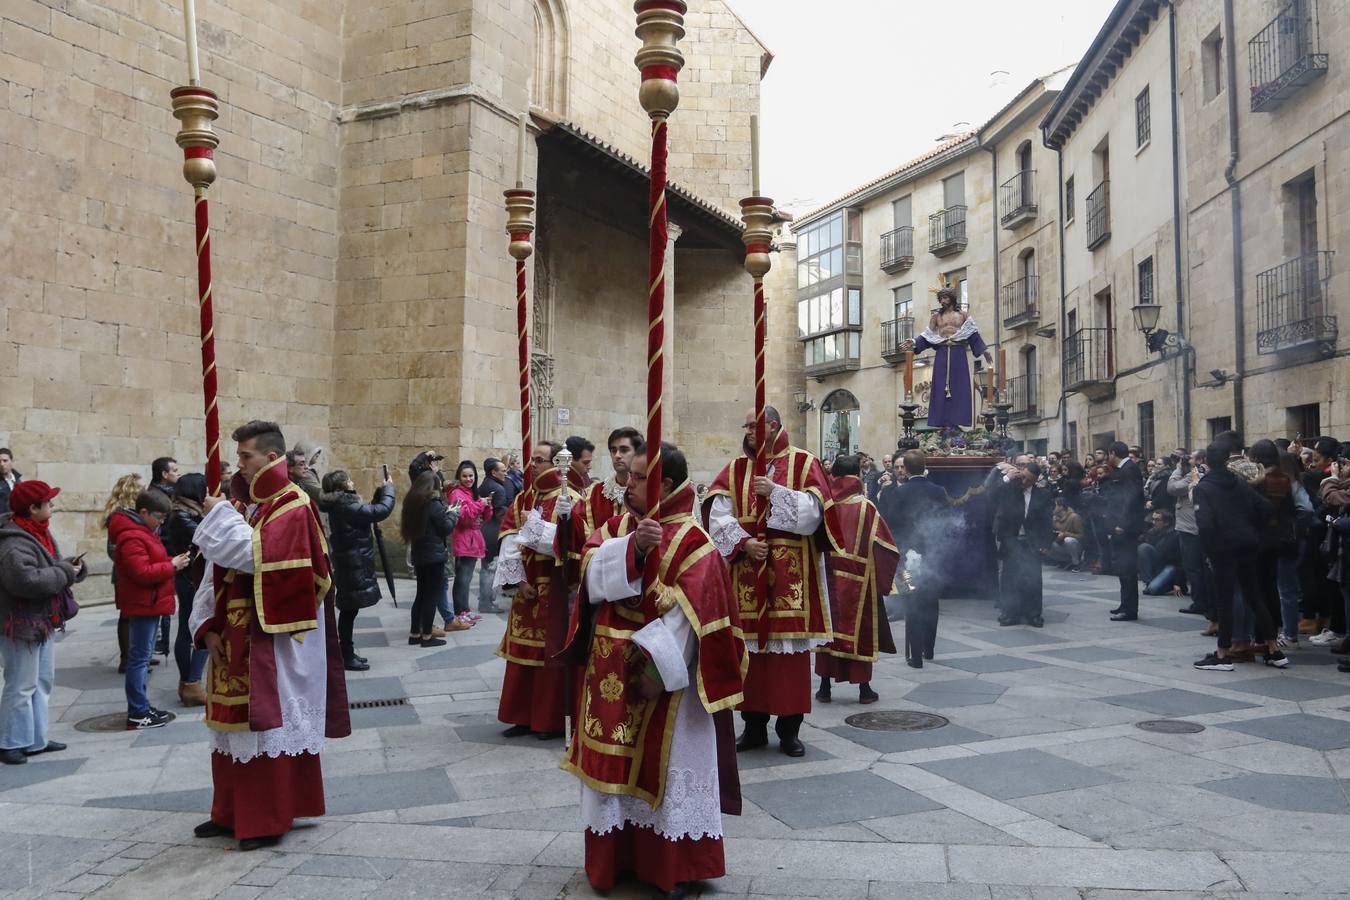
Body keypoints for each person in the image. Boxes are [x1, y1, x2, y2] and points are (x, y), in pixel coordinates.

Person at [562, 441, 745, 895]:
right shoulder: (620, 525)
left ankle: (673, 866)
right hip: (609, 673)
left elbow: (691, 618)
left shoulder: (694, 542)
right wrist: (634, 551)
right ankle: (616, 858)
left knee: (667, 767)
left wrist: (656, 673)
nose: (628, 482)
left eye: (640, 477)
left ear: (664, 484)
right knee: (612, 775)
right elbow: (587, 570)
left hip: (665, 685)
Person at [188, 419, 351, 851]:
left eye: (246, 457)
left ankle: (265, 817)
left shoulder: (292, 505)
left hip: (275, 636)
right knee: (230, 727)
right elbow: (213, 570)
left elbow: (257, 559)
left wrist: (219, 518)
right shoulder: (250, 505)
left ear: (272, 458)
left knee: (263, 724)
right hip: (234, 630)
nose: (238, 465)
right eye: (239, 456)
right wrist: (205, 625)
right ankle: (230, 812)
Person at [702, 407, 841, 758]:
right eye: (746, 425)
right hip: (748, 571)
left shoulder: (803, 463)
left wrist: (775, 492)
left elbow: (813, 514)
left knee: (788, 661)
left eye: (753, 424)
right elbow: (717, 515)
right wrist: (744, 542)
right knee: (750, 656)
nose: (748, 430)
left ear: (773, 426)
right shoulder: (735, 469)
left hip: (793, 579)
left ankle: (789, 730)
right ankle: (752, 726)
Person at [492, 441, 578, 739]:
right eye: (533, 459)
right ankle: (521, 716)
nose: (534, 465)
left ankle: (548, 720)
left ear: (558, 463)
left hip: (554, 586)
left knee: (549, 655)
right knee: (521, 655)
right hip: (527, 586)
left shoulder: (571, 498)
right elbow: (509, 538)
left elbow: (569, 544)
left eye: (540, 460)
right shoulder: (523, 499)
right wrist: (518, 581)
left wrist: (537, 527)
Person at [0, 480, 85, 765]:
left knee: (41, 682)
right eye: (47, 502)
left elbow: (51, 566)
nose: (52, 506)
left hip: (42, 620)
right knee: (21, 684)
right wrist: (64, 570)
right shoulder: (13, 542)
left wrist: (73, 567)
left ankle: (35, 739)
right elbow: (25, 581)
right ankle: (10, 742)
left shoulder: (37, 532)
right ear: (32, 508)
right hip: (21, 622)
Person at [1193, 442, 1288, 671]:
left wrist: (1210, 550)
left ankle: (1223, 654)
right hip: (1248, 545)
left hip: (1223, 549)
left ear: (1206, 461)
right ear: (1227, 460)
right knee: (1254, 596)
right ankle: (1274, 650)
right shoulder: (1239, 483)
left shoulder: (1203, 488)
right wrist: (1250, 528)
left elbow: (1204, 525)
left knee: (1225, 601)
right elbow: (1266, 508)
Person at [815, 455, 898, 699]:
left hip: (827, 577)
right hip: (859, 580)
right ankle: (863, 688)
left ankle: (824, 687)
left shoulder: (824, 505)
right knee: (859, 632)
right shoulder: (866, 508)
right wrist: (886, 581)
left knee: (828, 630)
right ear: (858, 477)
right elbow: (886, 546)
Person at [109, 489, 191, 729]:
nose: (162, 522)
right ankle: (137, 711)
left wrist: (170, 562)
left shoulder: (144, 531)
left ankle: (141, 705)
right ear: (143, 512)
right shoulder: (132, 536)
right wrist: (171, 565)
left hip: (150, 602)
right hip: (143, 603)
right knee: (139, 659)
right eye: (159, 516)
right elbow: (142, 572)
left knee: (142, 658)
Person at [877, 450, 950, 666]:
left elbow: (889, 524)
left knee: (912, 600)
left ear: (906, 470)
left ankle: (915, 655)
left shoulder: (897, 493)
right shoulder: (938, 491)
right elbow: (945, 522)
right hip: (933, 556)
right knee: (931, 601)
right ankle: (929, 649)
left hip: (906, 558)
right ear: (924, 466)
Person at [320, 469, 396, 671]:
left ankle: (347, 652)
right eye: (349, 480)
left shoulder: (342, 505)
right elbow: (380, 511)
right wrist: (389, 490)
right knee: (348, 611)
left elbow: (368, 511)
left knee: (349, 611)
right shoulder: (345, 506)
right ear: (342, 486)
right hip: (351, 563)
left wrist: (380, 492)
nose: (352, 482)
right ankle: (346, 655)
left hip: (349, 562)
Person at [898, 282, 994, 428]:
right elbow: (927, 335)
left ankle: (957, 422)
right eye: (940, 298)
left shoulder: (962, 316)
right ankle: (943, 423)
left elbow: (973, 334)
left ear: (951, 298)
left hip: (958, 353)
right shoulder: (936, 317)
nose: (942, 301)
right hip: (942, 353)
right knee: (939, 386)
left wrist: (984, 351)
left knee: (960, 386)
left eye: (945, 298)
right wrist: (914, 342)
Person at [400, 470, 463, 647]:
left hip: (420, 554)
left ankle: (414, 634)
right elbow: (445, 528)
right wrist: (453, 513)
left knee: (421, 594)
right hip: (433, 556)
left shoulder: (412, 502)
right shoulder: (433, 504)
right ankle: (427, 636)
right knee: (431, 596)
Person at [164, 473, 209, 706]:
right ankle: (192, 681)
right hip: (191, 579)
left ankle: (188, 683)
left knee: (189, 629)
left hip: (189, 578)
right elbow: (208, 537)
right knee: (201, 628)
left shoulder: (183, 512)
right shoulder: (182, 516)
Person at [991, 456, 1053, 627]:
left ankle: (1033, 614)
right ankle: (1010, 613)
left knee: (1033, 578)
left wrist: (1046, 544)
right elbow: (991, 494)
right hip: (1012, 540)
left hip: (1032, 542)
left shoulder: (1043, 495)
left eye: (1028, 479)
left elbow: (1047, 522)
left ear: (1035, 481)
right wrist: (1007, 478)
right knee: (1010, 578)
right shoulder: (1010, 488)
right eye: (1023, 476)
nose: (1023, 481)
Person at [103, 473, 147, 674]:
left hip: (132, 569)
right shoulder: (120, 515)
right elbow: (113, 548)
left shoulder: (133, 512)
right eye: (141, 487)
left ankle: (136, 656)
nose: (145, 491)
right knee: (127, 616)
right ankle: (127, 659)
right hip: (125, 572)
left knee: (134, 615)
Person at [1101, 441, 1146, 621]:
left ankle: (1130, 609)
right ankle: (1124, 604)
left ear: (1113, 453)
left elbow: (1131, 499)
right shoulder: (1125, 469)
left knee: (1127, 567)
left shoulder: (1129, 469)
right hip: (1121, 525)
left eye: (1108, 455)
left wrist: (1122, 523)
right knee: (1122, 567)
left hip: (1126, 528)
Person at [575, 427, 642, 541]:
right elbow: (579, 531)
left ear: (637, 453)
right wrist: (567, 517)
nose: (617, 455)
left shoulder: (645, 491)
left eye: (624, 450)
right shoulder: (595, 492)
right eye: (613, 450)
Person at [1169, 450, 1212, 623]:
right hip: (1194, 526)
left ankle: (1200, 602)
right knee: (1198, 568)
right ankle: (1203, 601)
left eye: (1191, 458)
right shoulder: (1196, 474)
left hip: (1191, 528)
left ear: (1200, 460)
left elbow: (1172, 488)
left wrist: (1179, 468)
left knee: (1194, 567)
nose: (1187, 461)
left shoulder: (1194, 476)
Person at [447, 461, 490, 626]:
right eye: (464, 476)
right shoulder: (456, 494)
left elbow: (481, 519)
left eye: (471, 475)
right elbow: (462, 517)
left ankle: (465, 610)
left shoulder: (473, 493)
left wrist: (487, 507)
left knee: (467, 578)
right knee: (462, 579)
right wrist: (480, 504)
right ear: (459, 477)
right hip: (463, 540)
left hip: (473, 539)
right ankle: (459, 612)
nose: (468, 479)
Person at [477, 457, 518, 614]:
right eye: (503, 471)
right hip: (493, 531)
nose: (506, 473)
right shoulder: (499, 489)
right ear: (493, 472)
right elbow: (500, 513)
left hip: (484, 530)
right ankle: (486, 602)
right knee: (490, 568)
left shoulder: (486, 483)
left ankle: (484, 600)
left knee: (486, 567)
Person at [1137, 510, 1184, 595]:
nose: (1153, 522)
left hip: (1171, 567)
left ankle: (1171, 586)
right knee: (1143, 547)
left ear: (1166, 523)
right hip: (1158, 566)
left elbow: (1181, 561)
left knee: (1152, 589)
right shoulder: (1151, 532)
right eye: (1153, 519)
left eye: (1157, 520)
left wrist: (1178, 583)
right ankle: (1149, 583)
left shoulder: (1175, 535)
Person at [1043, 496, 1085, 570]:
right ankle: (1065, 561)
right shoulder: (1055, 518)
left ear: (1061, 507)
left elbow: (1081, 536)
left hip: (1076, 546)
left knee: (1069, 540)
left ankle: (1076, 563)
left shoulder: (1074, 517)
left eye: (1055, 506)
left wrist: (1065, 534)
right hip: (1061, 544)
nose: (1053, 508)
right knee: (1046, 545)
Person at [0, 448, 22, 512]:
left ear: (12, 461)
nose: (2, 464)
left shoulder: (17, 479)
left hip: (16, 519)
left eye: (5, 460)